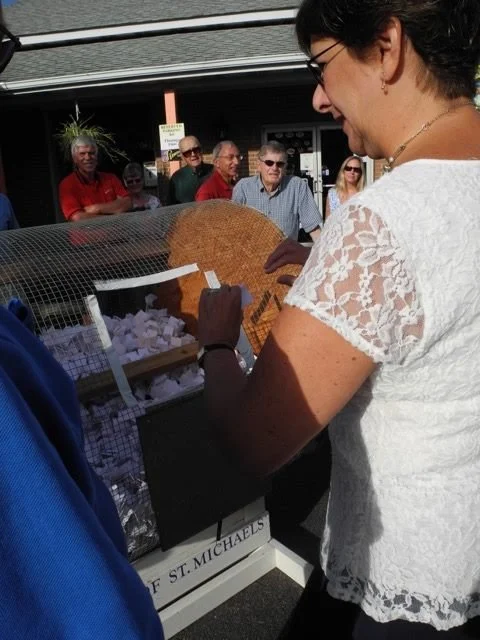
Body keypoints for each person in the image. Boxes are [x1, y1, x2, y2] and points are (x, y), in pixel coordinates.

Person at [197, 0, 480, 638]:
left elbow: (256, 441)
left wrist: (215, 345)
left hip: (413, 589)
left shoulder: (381, 220)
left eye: (321, 66)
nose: (320, 99)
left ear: (386, 47)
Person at [0, 15, 164, 639]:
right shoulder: (69, 185)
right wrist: (109, 208)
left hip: (125, 266)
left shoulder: (103, 181)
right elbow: (86, 216)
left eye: (94, 153)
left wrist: (111, 206)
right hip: (84, 271)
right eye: (84, 153)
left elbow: (124, 206)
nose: (90, 157)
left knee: (120, 317)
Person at [232, 141, 322, 241]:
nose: (274, 168)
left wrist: (325, 253)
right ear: (259, 165)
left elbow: (313, 228)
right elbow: (232, 228)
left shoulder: (297, 186)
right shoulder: (243, 187)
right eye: (269, 163)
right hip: (253, 254)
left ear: (285, 167)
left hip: (286, 255)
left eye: (280, 164)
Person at [58, 135, 132, 221]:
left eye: (91, 153)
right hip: (87, 234)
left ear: (96, 156)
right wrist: (114, 216)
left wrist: (96, 208)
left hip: (115, 234)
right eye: (82, 154)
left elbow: (128, 203)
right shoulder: (67, 184)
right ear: (75, 158)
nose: (88, 157)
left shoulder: (111, 178)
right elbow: (78, 218)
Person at [167, 136, 213, 204]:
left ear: (201, 150)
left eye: (196, 150)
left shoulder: (216, 172)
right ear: (182, 157)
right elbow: (170, 208)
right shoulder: (176, 179)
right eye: (187, 152)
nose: (193, 154)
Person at [325, 154, 365, 219]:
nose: (352, 172)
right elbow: (327, 222)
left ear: (360, 173)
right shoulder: (332, 194)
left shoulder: (365, 195)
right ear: (343, 171)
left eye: (356, 169)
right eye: (348, 168)